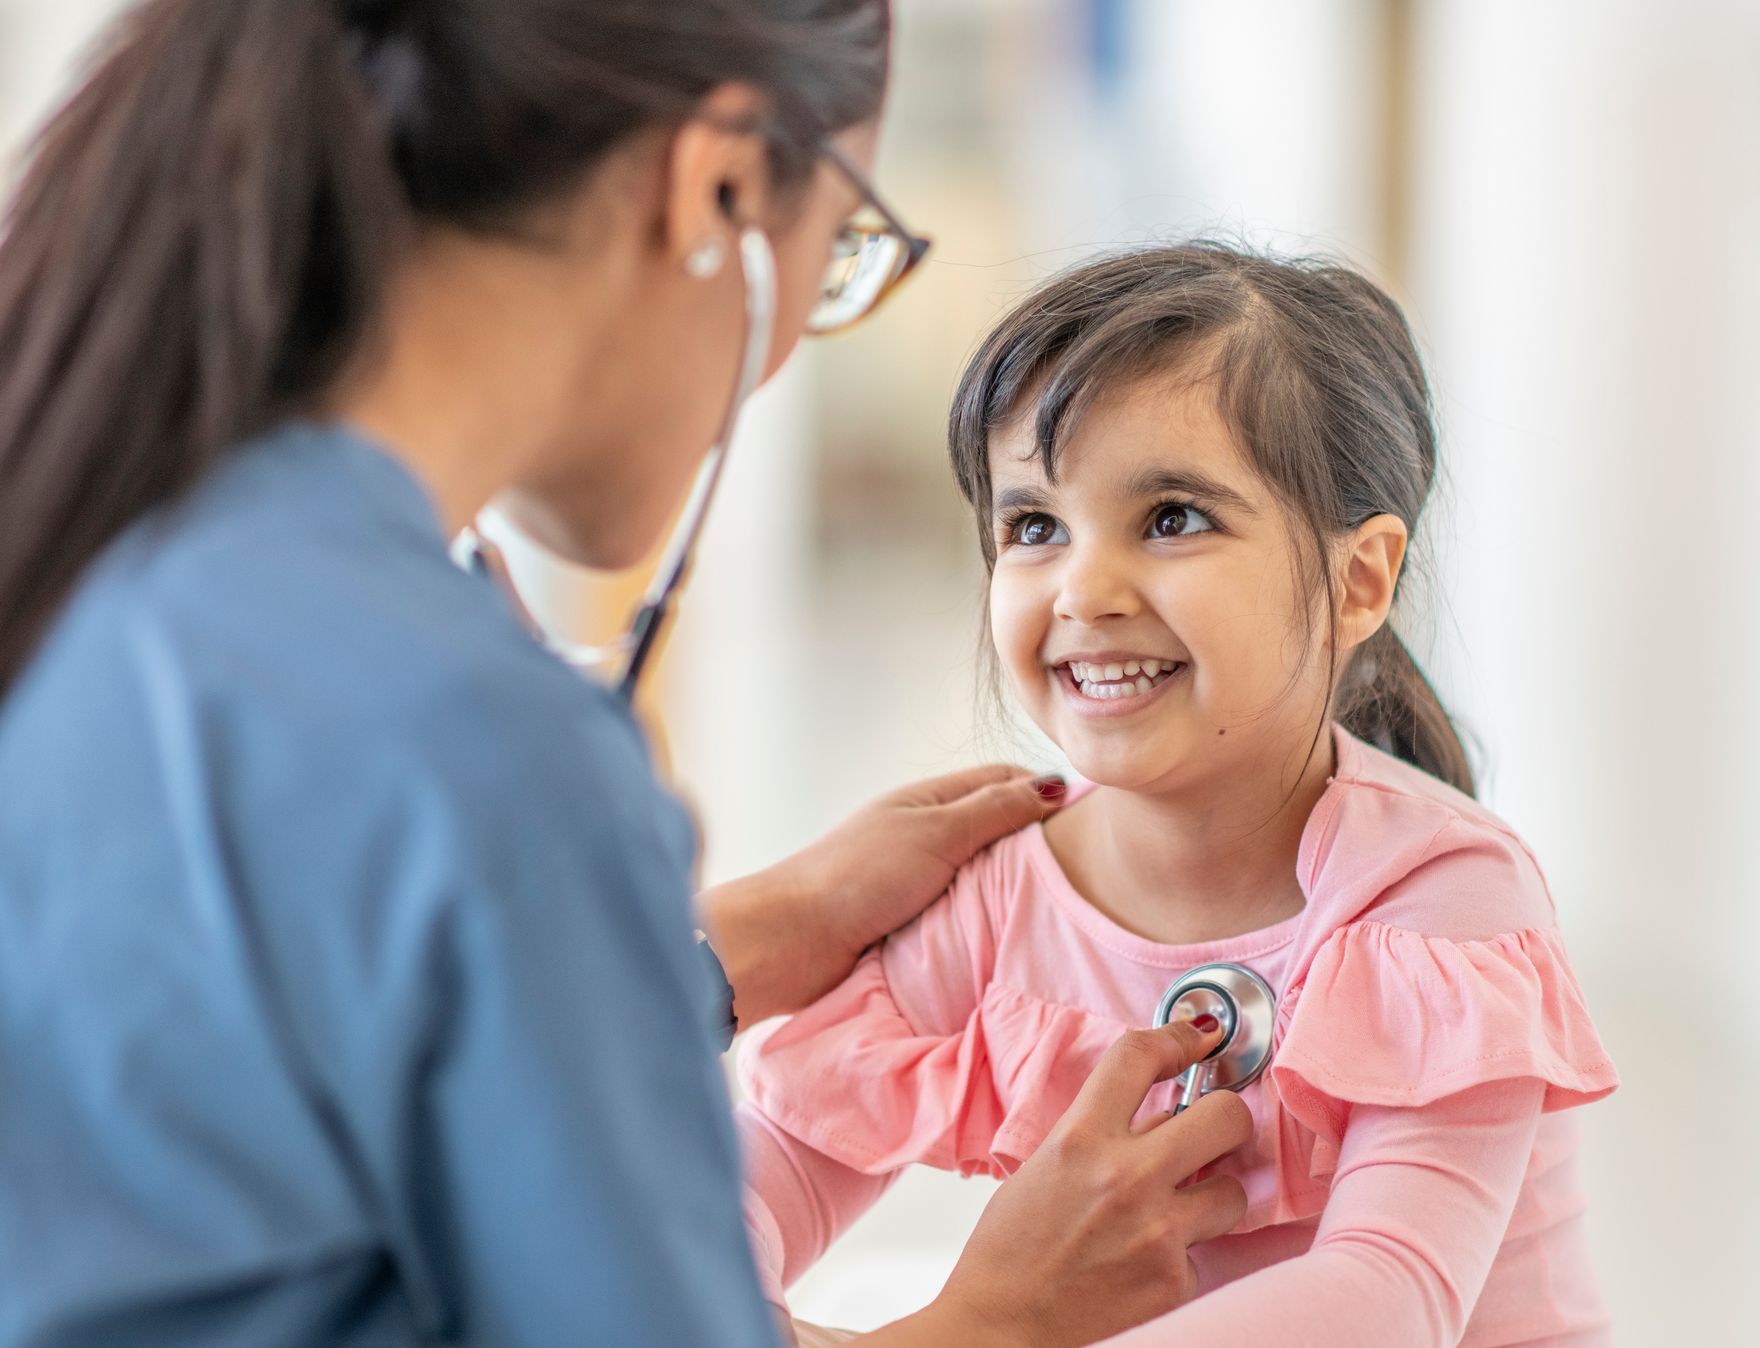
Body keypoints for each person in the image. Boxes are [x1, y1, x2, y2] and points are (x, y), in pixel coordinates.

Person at [0, 3, 1257, 1345]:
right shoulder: (472, 738)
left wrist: (712, 951)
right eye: (836, 260)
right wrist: (996, 1319)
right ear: (714, 182)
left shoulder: (108, 558)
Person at [736, 244, 1622, 1345]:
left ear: (1358, 580)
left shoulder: (1442, 893)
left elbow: (1384, 1299)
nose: (1084, 590)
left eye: (1170, 517)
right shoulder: (992, 895)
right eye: (1034, 525)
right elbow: (723, 1200)